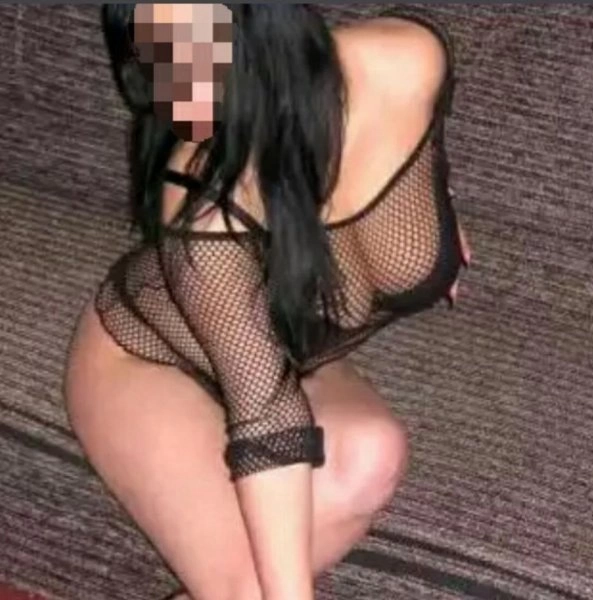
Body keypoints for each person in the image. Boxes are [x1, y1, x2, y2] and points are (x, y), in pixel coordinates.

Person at [62, 4, 472, 600]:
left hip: (287, 354)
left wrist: (441, 210)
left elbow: (419, 141)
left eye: (195, 48)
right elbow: (269, 422)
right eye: (157, 55)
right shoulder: (204, 199)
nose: (177, 96)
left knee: (372, 452)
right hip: (148, 358)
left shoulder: (407, 57)